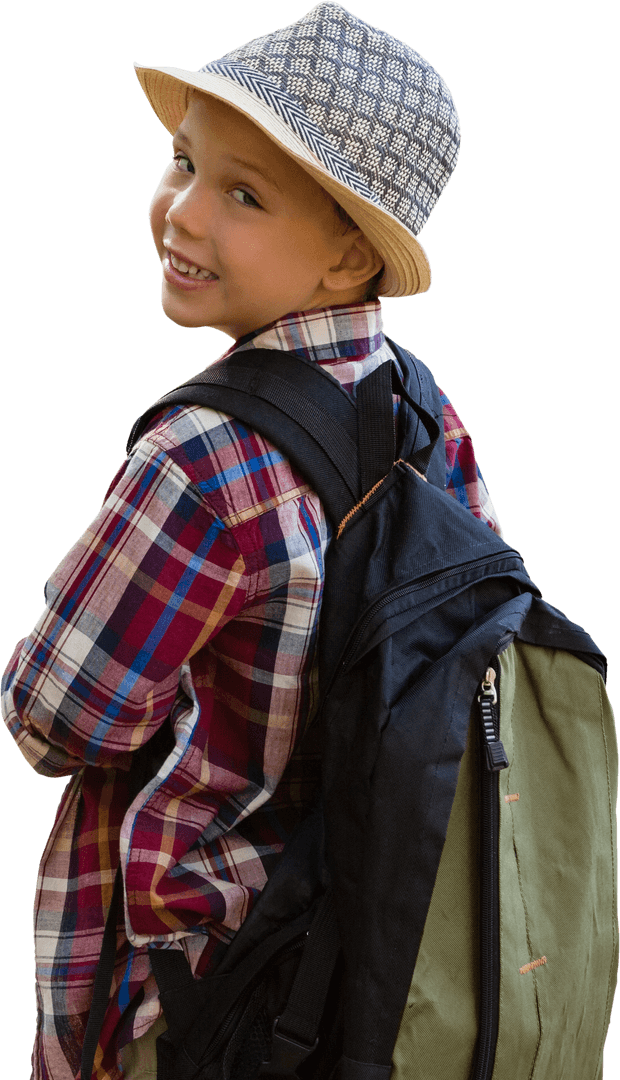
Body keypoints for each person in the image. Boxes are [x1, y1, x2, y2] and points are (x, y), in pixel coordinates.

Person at [1, 4, 503, 1078]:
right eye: (182, 161)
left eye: (243, 194)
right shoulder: (427, 413)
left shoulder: (201, 458)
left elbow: (54, 718)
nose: (181, 212)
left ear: (344, 258)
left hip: (182, 1002)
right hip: (356, 966)